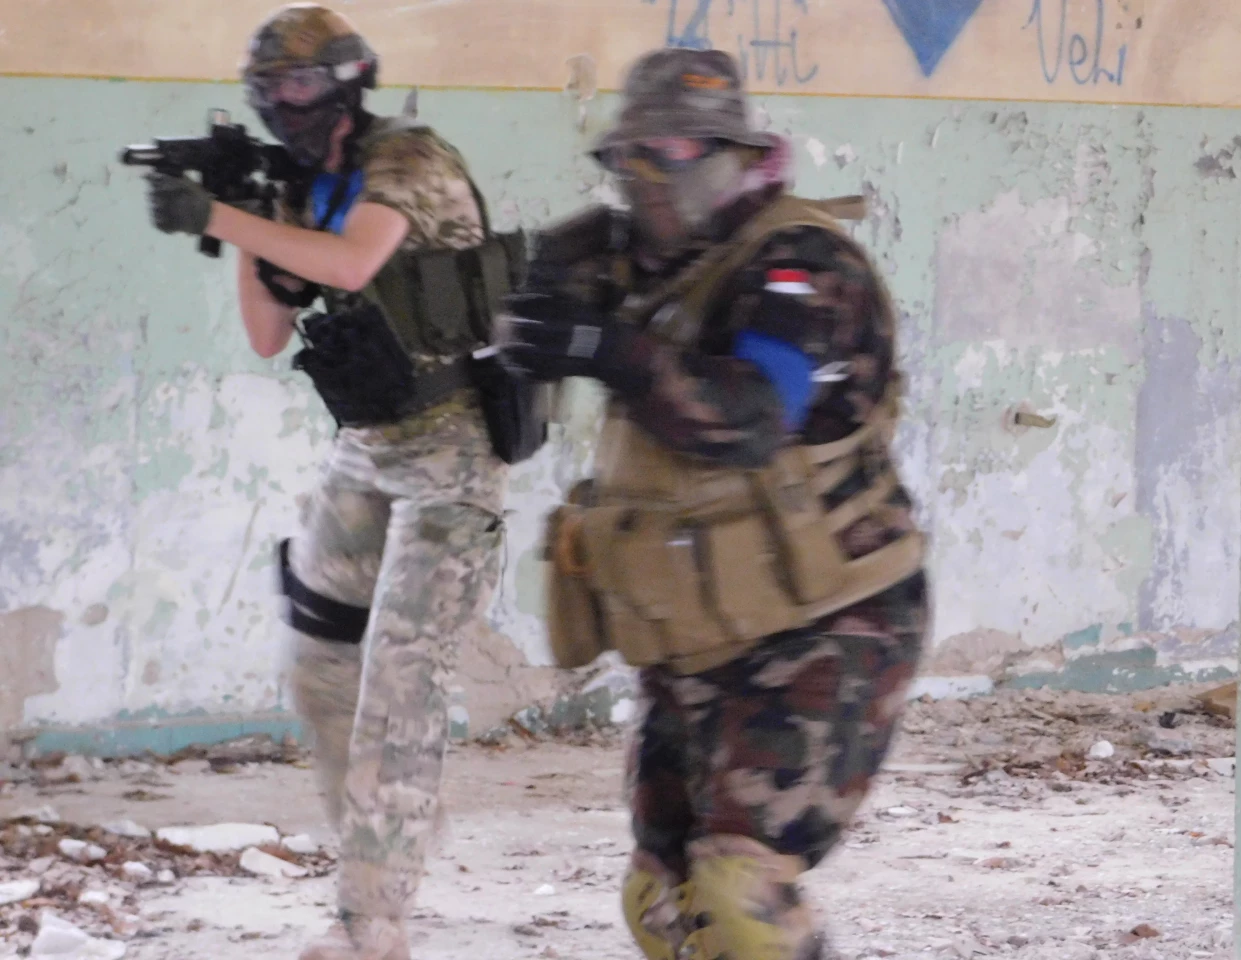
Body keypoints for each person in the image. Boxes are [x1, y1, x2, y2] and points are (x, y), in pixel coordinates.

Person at [497, 48, 931, 959]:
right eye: (633, 156)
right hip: (698, 629)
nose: (652, 177)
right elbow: (518, 417)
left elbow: (750, 416)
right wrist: (526, 326)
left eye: (678, 151)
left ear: (738, 154)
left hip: (828, 620)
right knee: (663, 902)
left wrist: (607, 348)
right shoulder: (630, 262)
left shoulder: (803, 263)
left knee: (742, 899)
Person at [141, 5, 525, 958]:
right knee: (318, 662)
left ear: (351, 83)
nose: (284, 104)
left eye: (302, 85)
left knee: (401, 676)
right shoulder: (303, 188)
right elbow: (267, 336)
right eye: (267, 90)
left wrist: (219, 213)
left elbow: (355, 261)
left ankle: (370, 925)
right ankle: (393, 830)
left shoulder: (409, 160)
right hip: (370, 444)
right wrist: (250, 216)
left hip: (455, 452)